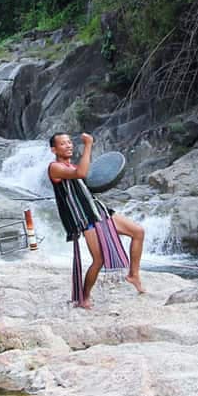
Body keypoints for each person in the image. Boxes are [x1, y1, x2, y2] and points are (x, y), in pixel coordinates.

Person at [48, 132, 145, 309]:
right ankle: (84, 298)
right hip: (84, 217)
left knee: (138, 232)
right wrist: (88, 145)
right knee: (98, 259)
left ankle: (133, 275)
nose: (68, 145)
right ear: (54, 149)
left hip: (98, 210)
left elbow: (86, 178)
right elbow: (82, 172)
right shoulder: (55, 168)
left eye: (70, 142)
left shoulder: (70, 166)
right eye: (63, 144)